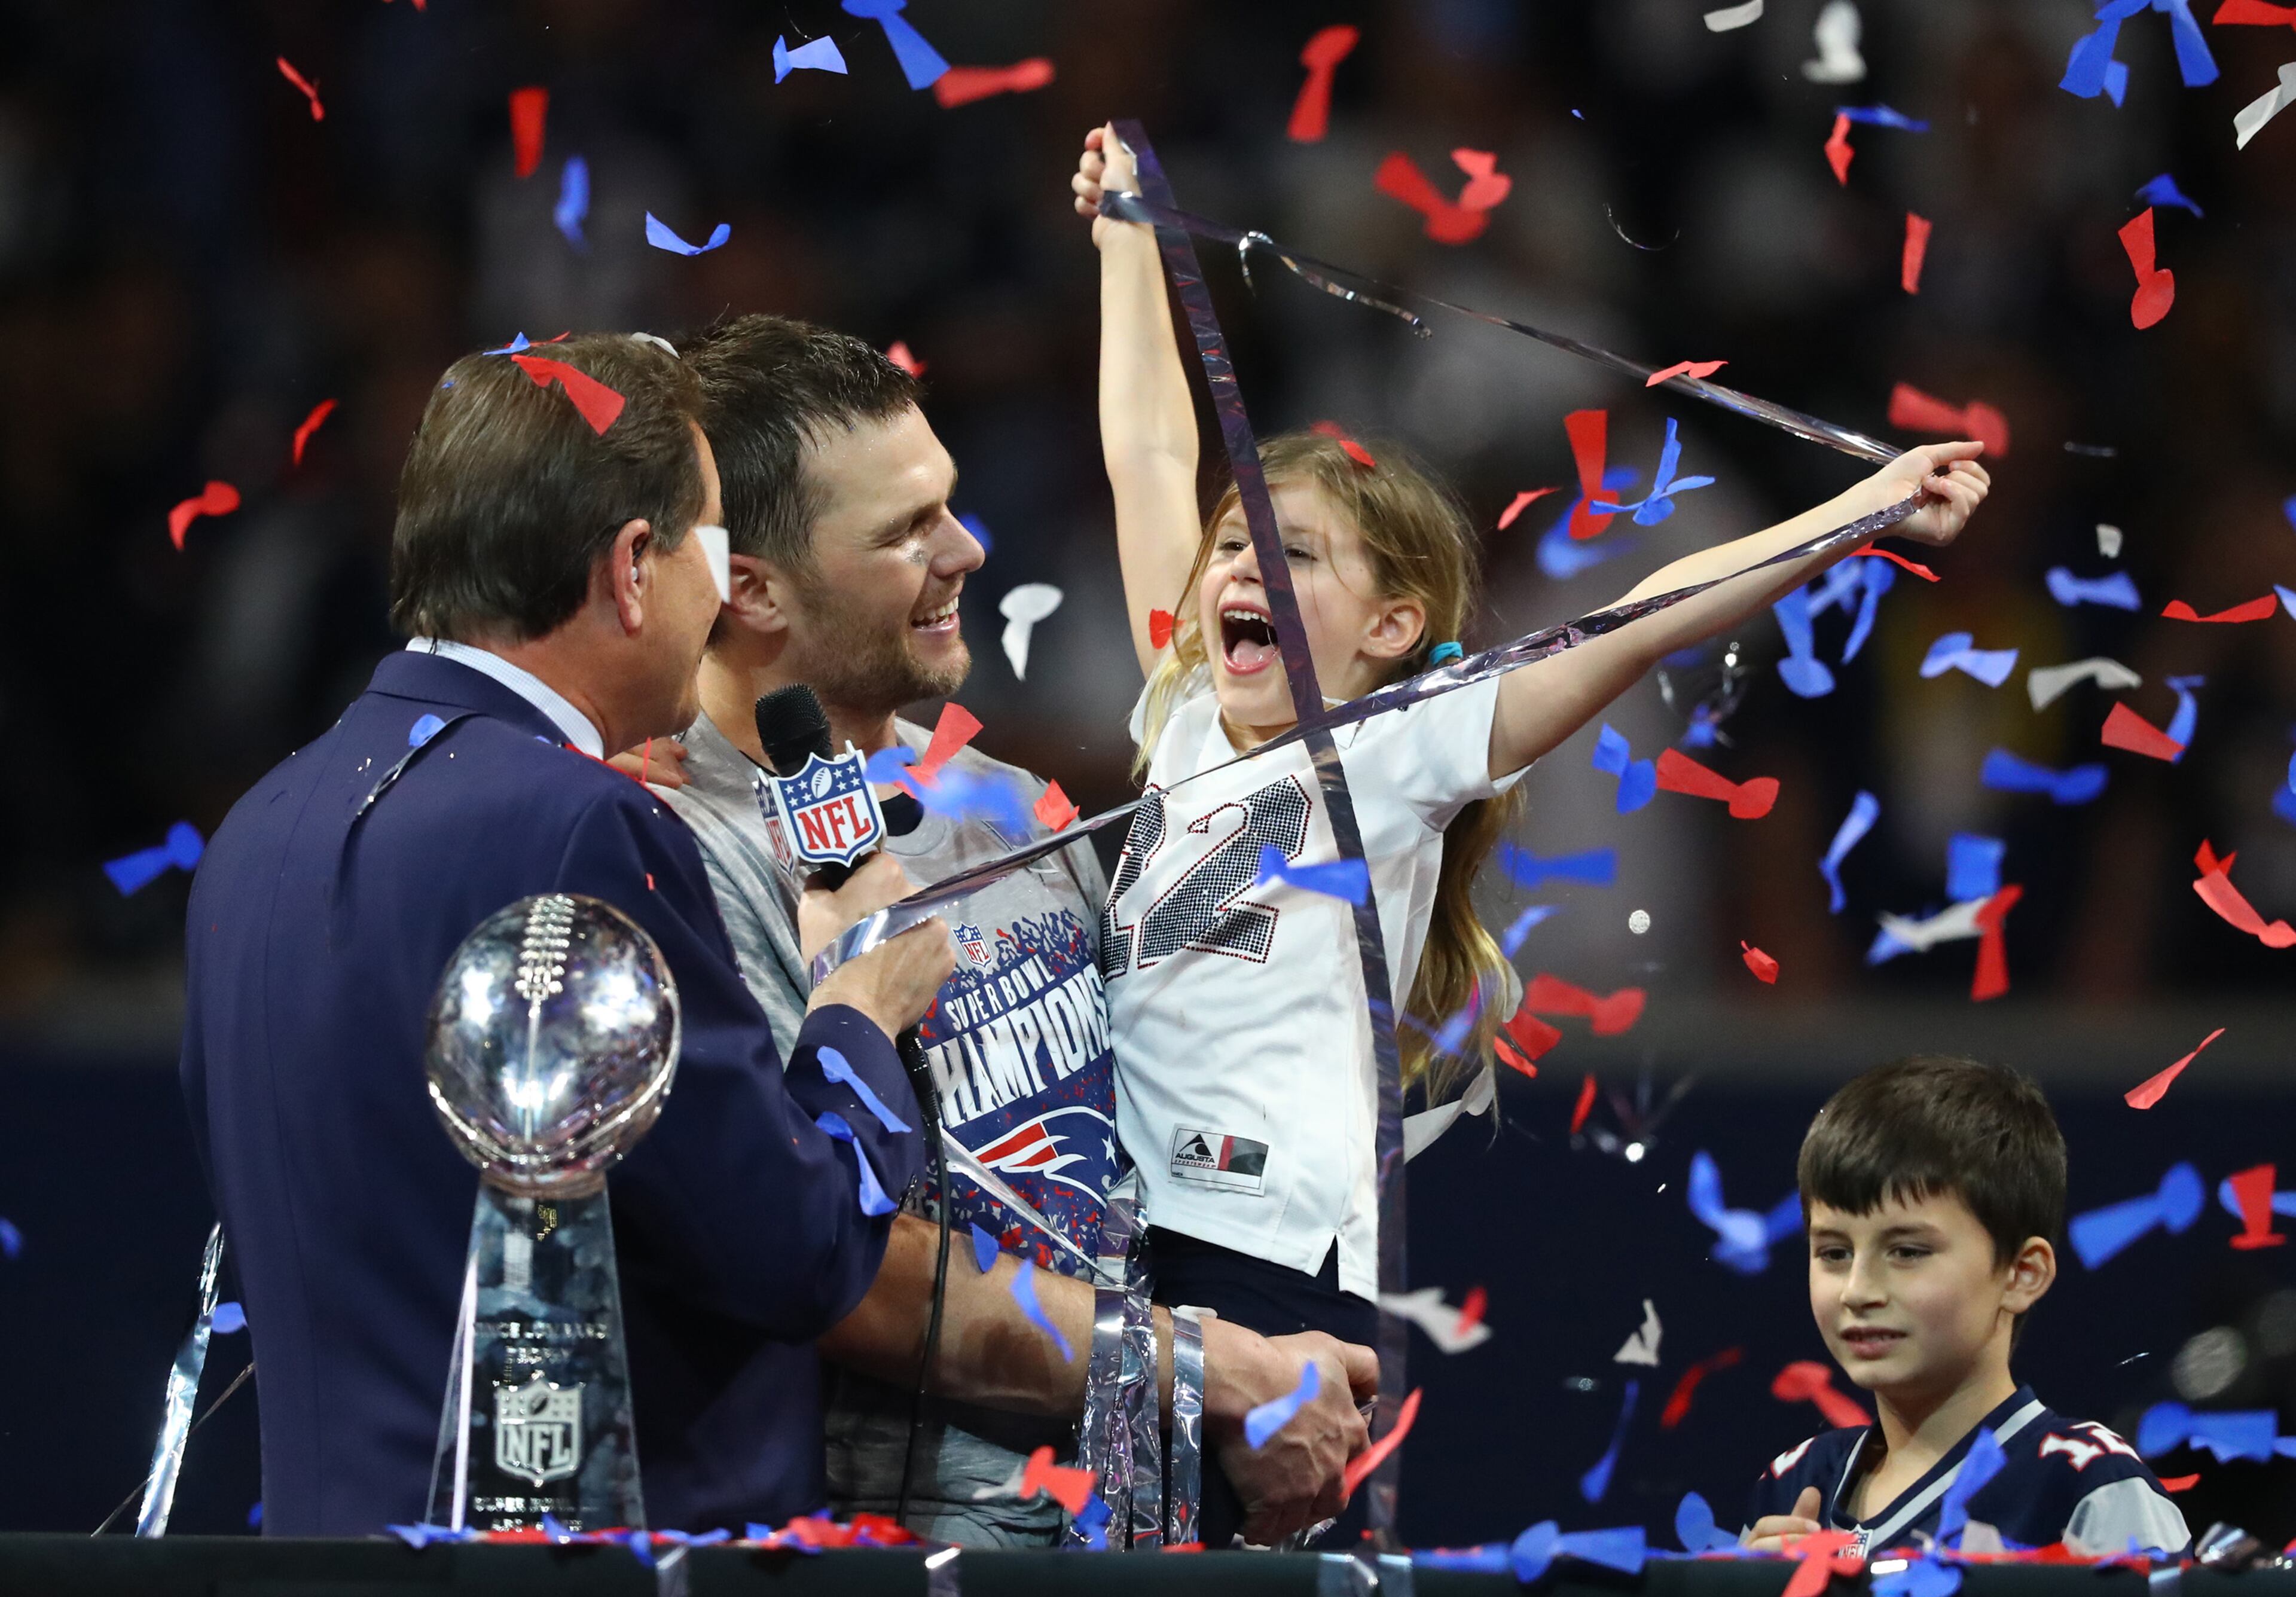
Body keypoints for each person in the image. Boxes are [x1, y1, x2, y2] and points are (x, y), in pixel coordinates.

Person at [1071, 123, 1993, 1547]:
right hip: (1125, 1256)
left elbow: (1641, 618)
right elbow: (1147, 450)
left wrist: (1864, 508)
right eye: (1236, 547)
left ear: (1393, 628)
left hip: (1270, 1270)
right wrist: (1128, 237)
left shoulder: (1394, 746)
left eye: (1293, 552)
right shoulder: (1184, 711)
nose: (1241, 563)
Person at [616, 313, 1378, 1545]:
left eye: (949, 504)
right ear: (749, 587)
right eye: (905, 531)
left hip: (1116, 1529)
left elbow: (1129, 1184)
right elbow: (840, 1273)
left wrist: (1217, 1417)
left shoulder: (1013, 806)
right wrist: (1207, 1371)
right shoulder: (676, 858)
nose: (966, 549)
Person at [179, 333, 954, 1536]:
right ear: (634, 566)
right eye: (710, 545)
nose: (720, 598)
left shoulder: (257, 824)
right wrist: (856, 1008)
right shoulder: (583, 825)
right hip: (592, 1559)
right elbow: (793, 1248)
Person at [1742, 1057, 2190, 1556]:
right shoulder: (1791, 1485)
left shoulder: (2088, 1484)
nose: (1857, 1290)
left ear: (2022, 1274)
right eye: (1834, 1252)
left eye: (1907, 1251)